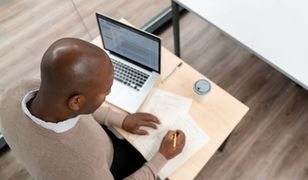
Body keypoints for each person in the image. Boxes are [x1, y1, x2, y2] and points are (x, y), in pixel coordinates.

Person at [0, 38, 185, 180]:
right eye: (105, 92)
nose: (109, 92)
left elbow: (79, 109)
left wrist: (122, 119)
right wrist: (162, 157)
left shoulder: (15, 91)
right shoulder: (83, 166)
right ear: (76, 102)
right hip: (108, 166)